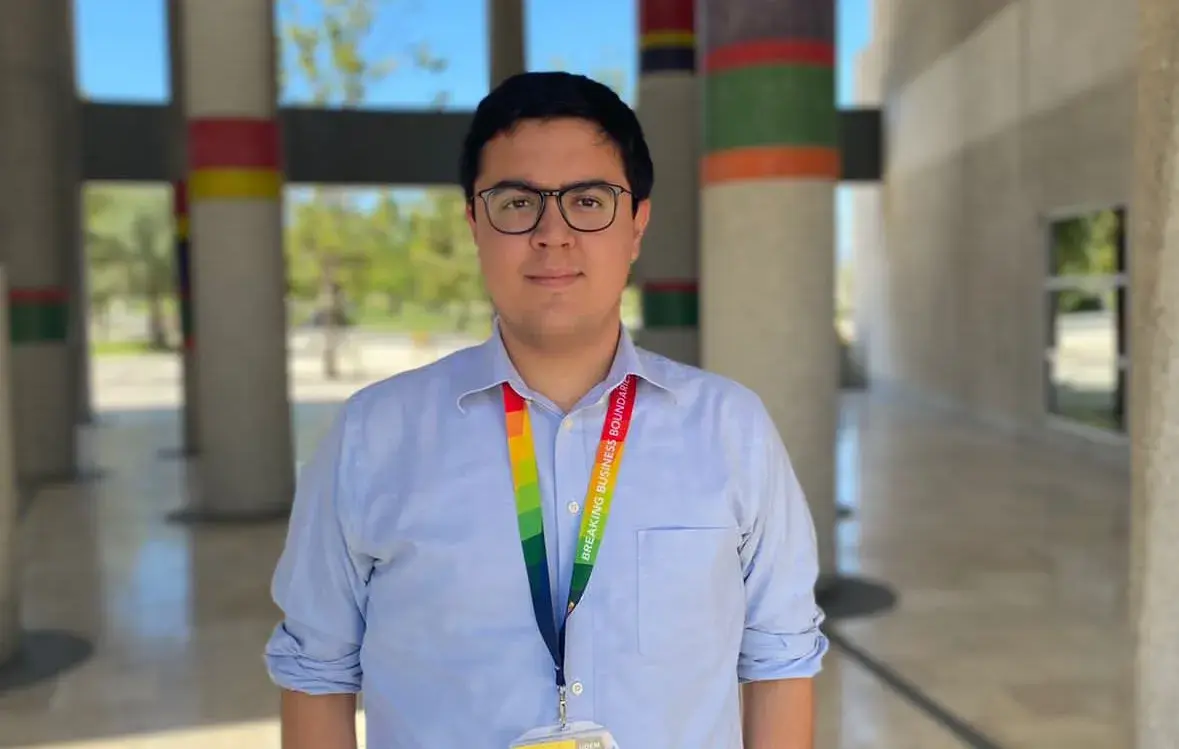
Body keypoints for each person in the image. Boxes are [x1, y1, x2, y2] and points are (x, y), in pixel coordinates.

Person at [264, 71, 828, 749]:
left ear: (637, 225)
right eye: (516, 202)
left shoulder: (731, 431)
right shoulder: (373, 436)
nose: (552, 233)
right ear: (474, 223)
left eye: (588, 201)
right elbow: (317, 670)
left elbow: (779, 660)